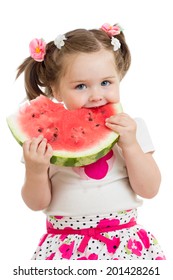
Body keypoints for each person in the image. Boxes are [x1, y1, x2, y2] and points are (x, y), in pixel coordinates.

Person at [16, 23, 166, 260]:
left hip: (123, 243)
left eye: (106, 83)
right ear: (55, 90)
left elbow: (150, 189)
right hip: (65, 247)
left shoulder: (132, 129)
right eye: (81, 86)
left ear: (119, 78)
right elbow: (36, 203)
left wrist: (131, 146)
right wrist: (35, 170)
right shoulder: (44, 141)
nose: (96, 95)